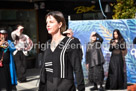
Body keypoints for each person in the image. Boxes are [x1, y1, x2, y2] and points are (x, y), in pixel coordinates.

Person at [38, 11, 85, 91]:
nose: (48, 25)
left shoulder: (70, 43)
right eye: (47, 23)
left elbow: (77, 68)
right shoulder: (47, 44)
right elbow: (44, 70)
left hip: (65, 87)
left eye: (51, 22)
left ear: (60, 24)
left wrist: (81, 88)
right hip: (48, 87)